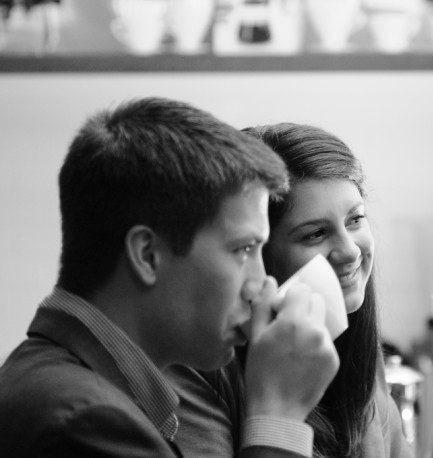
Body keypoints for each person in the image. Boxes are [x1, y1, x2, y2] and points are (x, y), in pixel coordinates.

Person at [0, 98, 339, 457]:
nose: (261, 287)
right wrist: (279, 415)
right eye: (243, 250)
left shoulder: (61, 382)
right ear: (148, 255)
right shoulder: (86, 422)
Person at [169, 122, 411, 457]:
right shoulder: (199, 369)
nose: (351, 251)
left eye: (355, 220)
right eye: (315, 234)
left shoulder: (356, 346)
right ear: (259, 254)